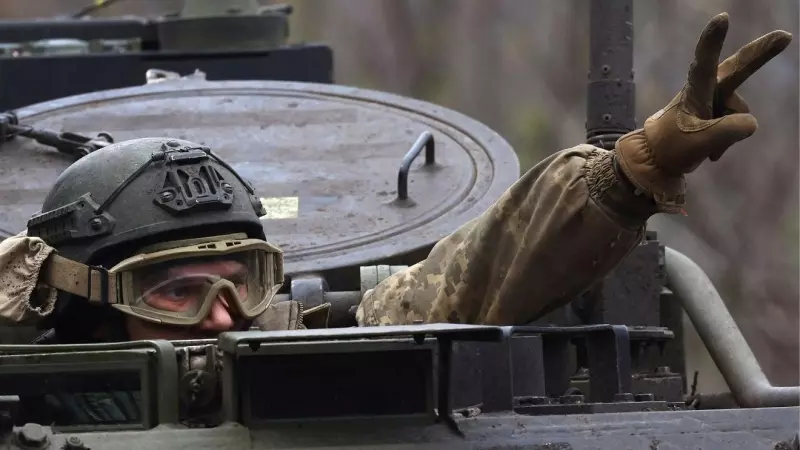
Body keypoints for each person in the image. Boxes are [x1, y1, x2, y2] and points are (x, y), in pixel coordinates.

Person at [0, 13, 792, 344]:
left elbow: (470, 279)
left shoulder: (294, 351)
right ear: (87, 306)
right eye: (174, 292)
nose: (224, 318)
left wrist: (633, 168)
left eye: (243, 282)